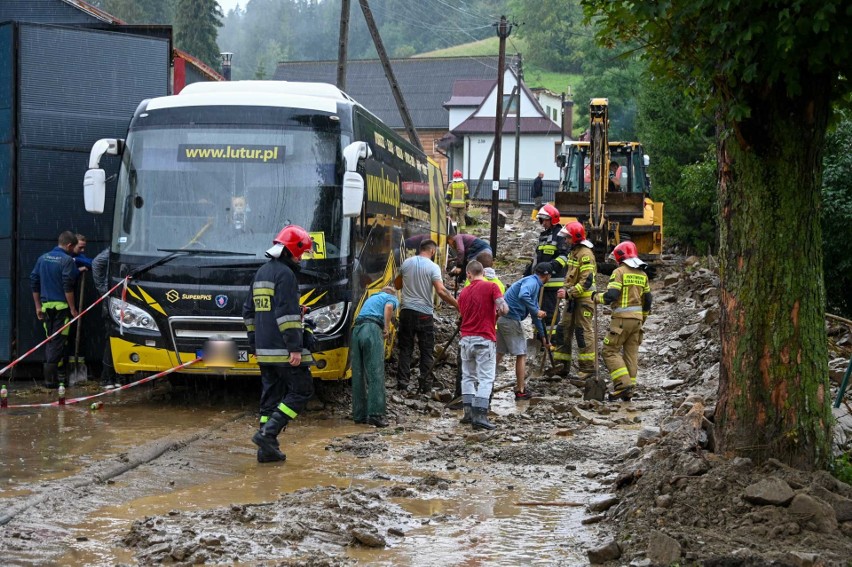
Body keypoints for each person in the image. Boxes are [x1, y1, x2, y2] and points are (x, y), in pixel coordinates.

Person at [244, 225, 316, 463]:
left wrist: (254, 344)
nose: (302, 258)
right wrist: (295, 348)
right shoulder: (286, 275)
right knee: (301, 391)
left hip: (264, 350)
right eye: (302, 252)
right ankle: (268, 434)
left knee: (271, 398)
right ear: (292, 250)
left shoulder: (261, 272)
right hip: (283, 350)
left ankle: (267, 451)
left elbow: (249, 312)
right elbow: (286, 315)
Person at [394, 238, 459, 394]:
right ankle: (426, 385)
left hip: (406, 312)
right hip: (424, 314)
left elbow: (397, 285)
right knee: (426, 350)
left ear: (419, 249)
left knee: (405, 349)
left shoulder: (407, 263)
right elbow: (441, 291)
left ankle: (402, 384)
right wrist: (458, 305)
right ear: (432, 251)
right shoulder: (433, 267)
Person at [593, 241, 652, 401]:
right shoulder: (642, 275)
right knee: (631, 355)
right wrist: (642, 318)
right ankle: (629, 390)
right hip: (638, 322)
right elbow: (648, 300)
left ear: (620, 257)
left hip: (621, 321)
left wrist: (596, 297)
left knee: (609, 350)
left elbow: (611, 295)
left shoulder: (619, 272)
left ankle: (622, 384)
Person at [458, 260, 508, 430]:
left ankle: (468, 413)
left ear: (468, 274)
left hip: (466, 340)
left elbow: (462, 313)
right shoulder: (491, 287)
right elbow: (504, 308)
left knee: (468, 376)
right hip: (484, 338)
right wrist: (499, 310)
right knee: (486, 377)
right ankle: (480, 414)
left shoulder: (463, 292)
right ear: (484, 273)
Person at [497, 262, 555, 400]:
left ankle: (483, 383)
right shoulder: (532, 283)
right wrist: (536, 310)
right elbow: (524, 296)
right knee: (521, 354)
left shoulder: (532, 282)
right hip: (511, 320)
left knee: (499, 353)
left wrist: (543, 338)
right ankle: (520, 390)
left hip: (503, 319)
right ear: (547, 276)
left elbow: (536, 316)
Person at [30, 231, 79, 388]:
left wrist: (38, 306)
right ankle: (50, 382)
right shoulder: (66, 260)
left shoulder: (42, 258)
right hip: (61, 308)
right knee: (57, 342)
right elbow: (67, 286)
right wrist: (73, 309)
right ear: (69, 245)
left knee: (51, 340)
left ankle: (57, 377)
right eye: (73, 248)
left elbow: (34, 281)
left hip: (46, 307)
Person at [553, 222, 598, 378]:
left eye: (568, 238)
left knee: (582, 332)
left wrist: (568, 293)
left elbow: (587, 281)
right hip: (572, 298)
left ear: (575, 238)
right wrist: (566, 290)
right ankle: (561, 366)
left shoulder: (585, 254)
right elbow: (571, 276)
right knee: (563, 329)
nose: (565, 241)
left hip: (584, 300)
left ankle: (587, 369)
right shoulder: (574, 252)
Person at [351, 286, 399, 428]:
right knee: (375, 371)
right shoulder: (390, 297)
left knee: (358, 374)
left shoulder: (371, 298)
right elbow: (389, 307)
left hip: (357, 331)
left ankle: (359, 415)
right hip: (371, 329)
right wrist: (385, 327)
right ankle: (375, 414)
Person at [530, 204, 569, 342]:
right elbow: (537, 258)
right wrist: (528, 273)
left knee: (550, 313)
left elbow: (565, 256)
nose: (543, 223)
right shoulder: (544, 236)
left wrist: (551, 266)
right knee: (538, 311)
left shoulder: (560, 235)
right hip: (540, 282)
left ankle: (551, 341)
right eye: (541, 220)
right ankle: (539, 339)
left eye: (545, 220)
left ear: (552, 219)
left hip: (553, 282)